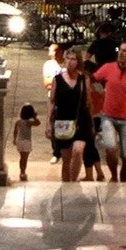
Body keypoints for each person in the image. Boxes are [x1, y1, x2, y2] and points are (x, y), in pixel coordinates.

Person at [93, 42, 126, 182]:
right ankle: (113, 176)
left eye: (125, 51)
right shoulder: (108, 68)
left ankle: (125, 180)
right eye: (119, 50)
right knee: (111, 147)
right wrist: (95, 98)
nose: (121, 53)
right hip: (108, 117)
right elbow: (92, 79)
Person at [49, 47, 93, 182]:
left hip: (80, 119)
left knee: (78, 151)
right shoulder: (57, 79)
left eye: (73, 59)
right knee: (66, 158)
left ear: (78, 61)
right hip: (63, 120)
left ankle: (73, 182)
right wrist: (48, 124)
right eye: (67, 58)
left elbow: (88, 102)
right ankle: (66, 183)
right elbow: (51, 101)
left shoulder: (83, 79)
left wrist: (91, 124)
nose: (69, 62)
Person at [12, 103, 40, 181]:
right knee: (25, 158)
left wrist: (14, 139)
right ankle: (23, 172)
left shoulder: (18, 121)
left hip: (20, 141)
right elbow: (38, 123)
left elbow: (15, 131)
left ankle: (22, 172)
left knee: (22, 157)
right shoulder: (29, 122)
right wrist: (35, 116)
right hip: (27, 141)